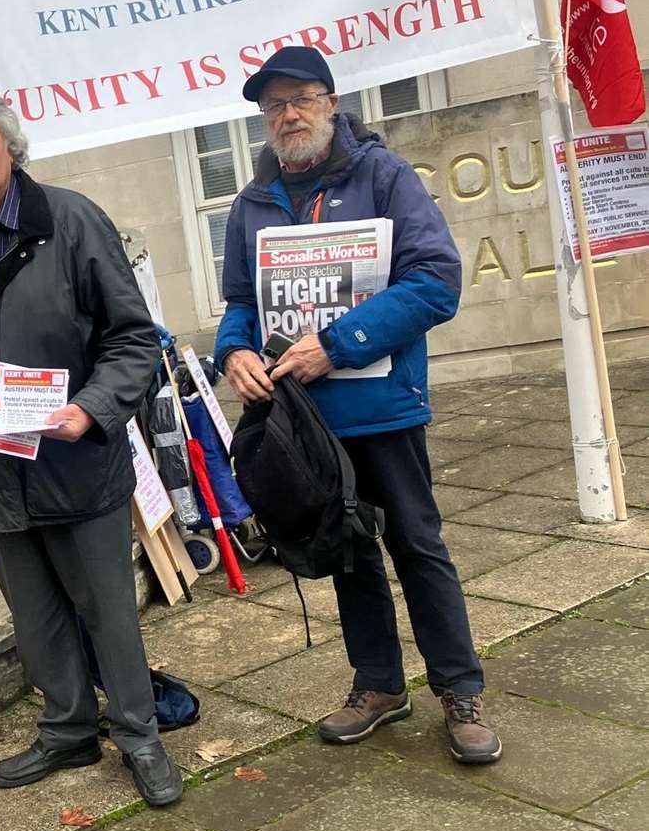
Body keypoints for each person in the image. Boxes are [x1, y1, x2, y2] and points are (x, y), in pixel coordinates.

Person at [0, 88, 181, 807]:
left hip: (75, 461)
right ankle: (67, 729)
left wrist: (92, 408)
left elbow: (131, 338)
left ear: (9, 145)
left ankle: (138, 732)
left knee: (106, 611)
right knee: (35, 613)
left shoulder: (73, 221)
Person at [215, 46, 501, 764]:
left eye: (301, 98)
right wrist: (234, 352)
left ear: (331, 101)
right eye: (273, 104)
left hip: (382, 409)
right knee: (344, 553)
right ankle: (378, 685)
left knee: (416, 544)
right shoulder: (250, 204)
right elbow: (241, 305)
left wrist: (336, 345)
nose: (288, 113)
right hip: (303, 425)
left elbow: (436, 281)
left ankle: (458, 690)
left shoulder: (383, 176)